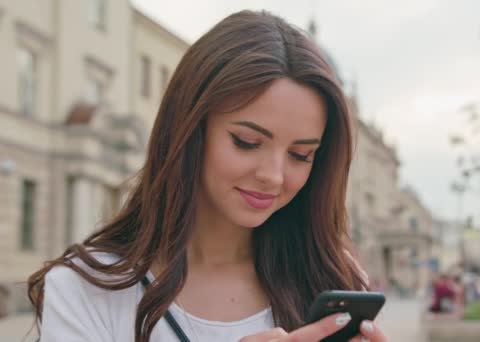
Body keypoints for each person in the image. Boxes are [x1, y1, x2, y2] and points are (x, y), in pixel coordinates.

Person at [27, 10, 387, 342]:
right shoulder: (86, 289)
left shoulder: (331, 277)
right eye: (247, 142)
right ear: (189, 130)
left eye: (300, 155)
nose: (274, 176)